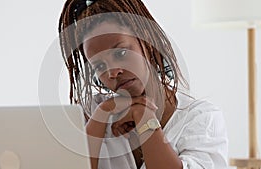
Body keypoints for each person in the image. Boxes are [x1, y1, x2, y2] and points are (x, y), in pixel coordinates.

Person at [58, 0, 228, 168]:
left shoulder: (201, 119)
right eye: (99, 66)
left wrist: (144, 116)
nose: (112, 72)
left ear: (146, 40)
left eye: (121, 53)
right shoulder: (90, 115)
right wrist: (102, 114)